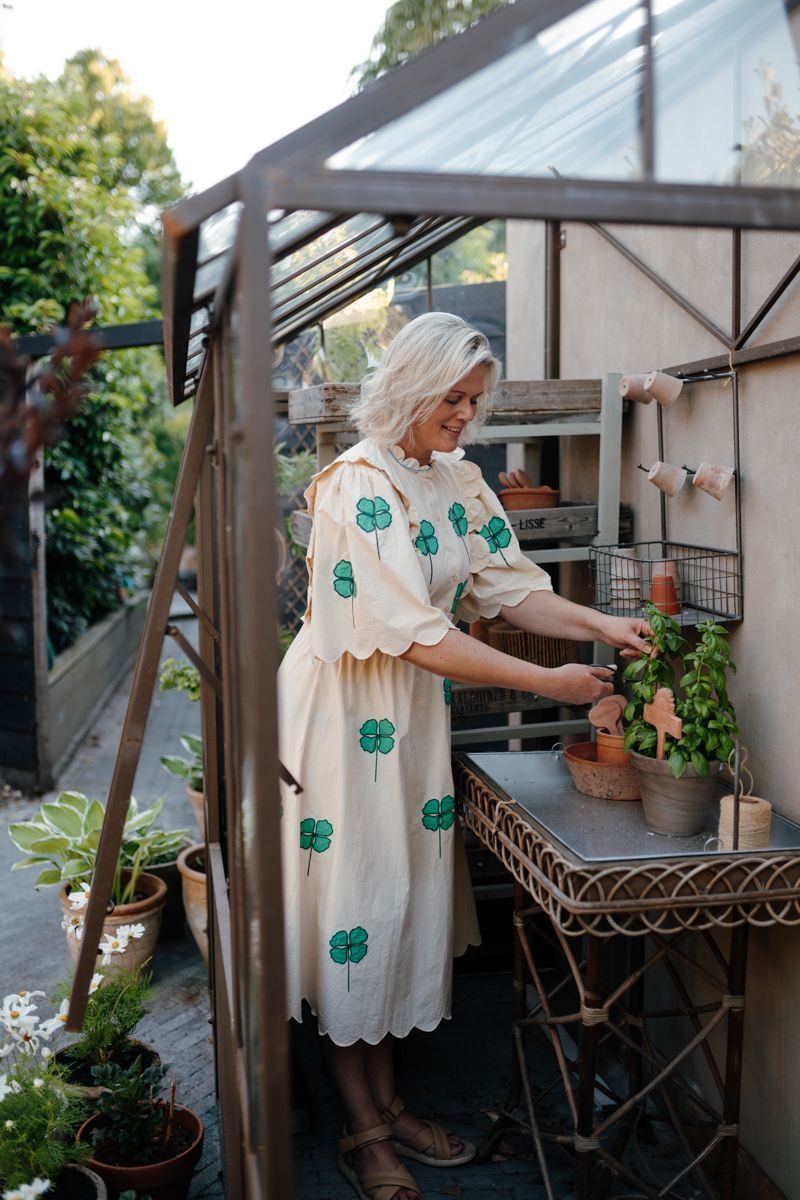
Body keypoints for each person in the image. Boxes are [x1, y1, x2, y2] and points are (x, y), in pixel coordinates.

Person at [278, 313, 651, 1200]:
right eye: (454, 398)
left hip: (408, 723)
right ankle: (366, 1129)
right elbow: (413, 633)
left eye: (475, 402)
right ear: (411, 385)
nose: (466, 416)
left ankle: (387, 1098)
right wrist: (549, 686)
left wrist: (600, 624)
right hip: (345, 716)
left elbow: (511, 588)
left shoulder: (456, 482)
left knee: (398, 898)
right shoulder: (353, 486)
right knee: (356, 903)